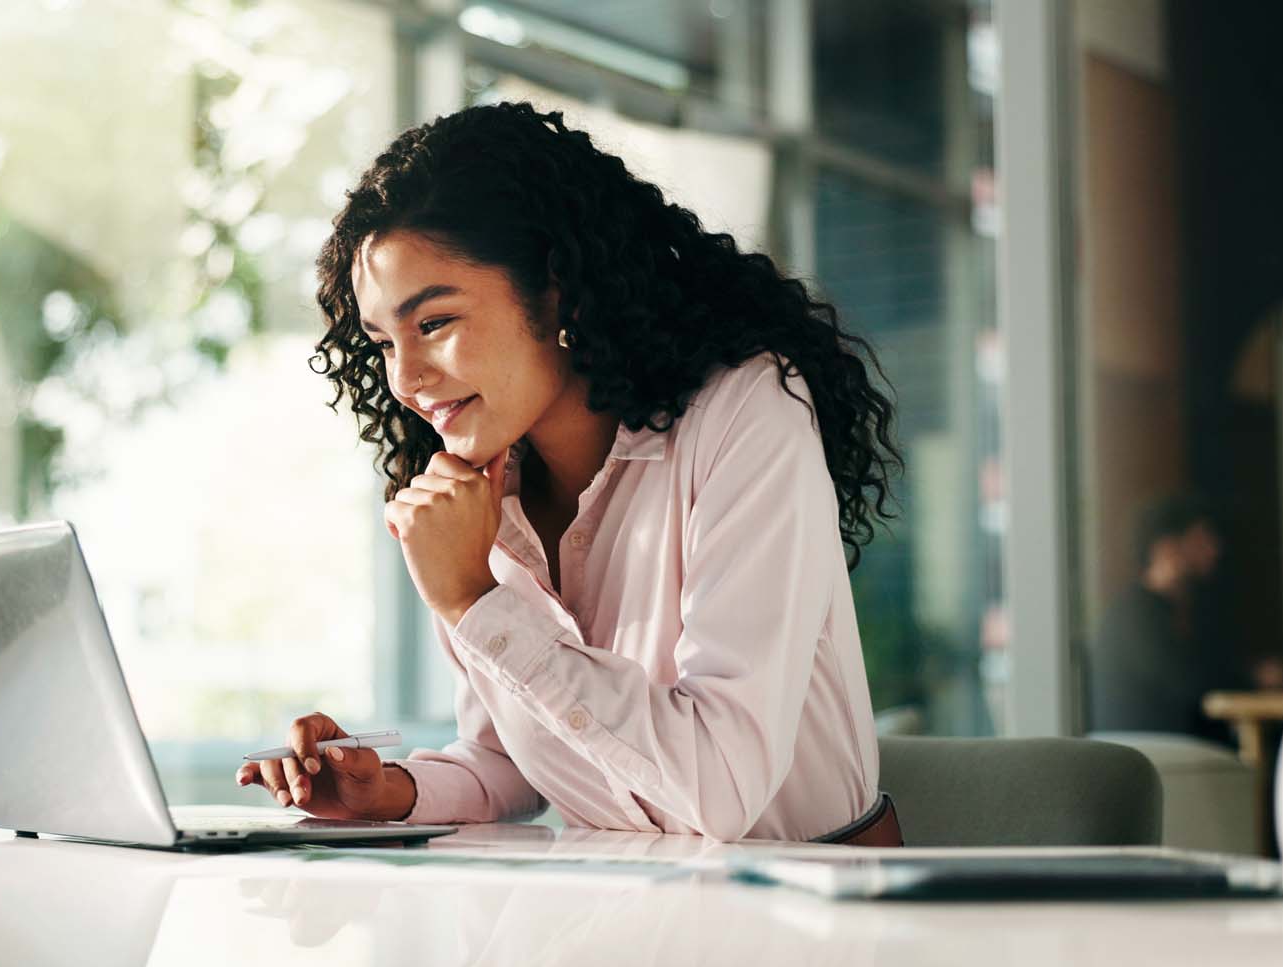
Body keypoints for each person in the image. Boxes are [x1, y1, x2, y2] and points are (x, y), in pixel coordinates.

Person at [233, 102, 903, 842]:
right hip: (624, 897)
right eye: (384, 342)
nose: (405, 379)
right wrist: (386, 791)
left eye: (433, 323)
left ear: (557, 289)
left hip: (812, 902)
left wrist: (474, 602)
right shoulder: (479, 496)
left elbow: (720, 785)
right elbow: (510, 761)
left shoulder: (746, 411)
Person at [1089, 495, 1283, 743]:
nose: (1215, 549)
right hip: (1154, 753)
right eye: (1201, 538)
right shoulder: (1134, 614)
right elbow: (1189, 683)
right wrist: (1256, 680)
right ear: (1167, 546)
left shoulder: (1183, 611)